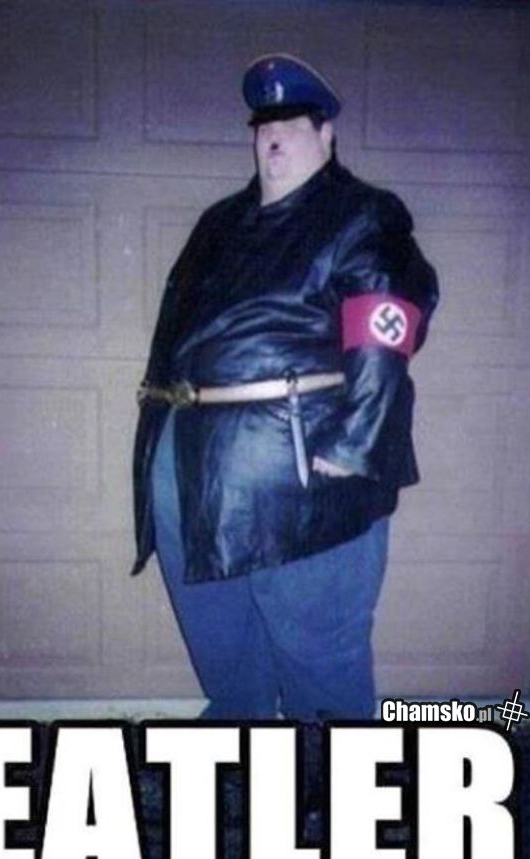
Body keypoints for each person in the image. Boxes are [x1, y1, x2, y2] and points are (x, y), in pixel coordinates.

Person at [132, 54, 438, 721]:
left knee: (319, 648)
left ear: (326, 133)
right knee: (220, 634)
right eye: (263, 124)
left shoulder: (362, 215)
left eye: (292, 123)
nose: (273, 135)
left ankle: (337, 764)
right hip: (188, 462)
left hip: (298, 468)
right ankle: (242, 731)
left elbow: (385, 324)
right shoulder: (218, 223)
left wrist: (356, 445)